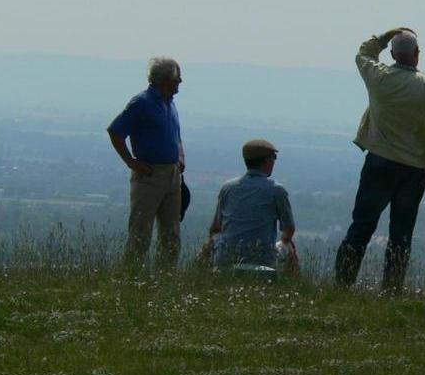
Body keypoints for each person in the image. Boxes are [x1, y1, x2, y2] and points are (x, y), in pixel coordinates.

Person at [335, 27, 425, 291]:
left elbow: (363, 54)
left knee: (361, 226)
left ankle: (342, 283)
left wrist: (386, 36)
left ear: (394, 54)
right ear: (417, 55)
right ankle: (392, 288)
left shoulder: (380, 78)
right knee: (401, 235)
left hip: (378, 163)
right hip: (413, 171)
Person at [108, 57, 185, 273]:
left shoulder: (170, 103)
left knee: (171, 233)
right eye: (177, 79)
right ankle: (131, 277)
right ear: (165, 80)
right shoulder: (141, 103)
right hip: (150, 175)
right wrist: (130, 161)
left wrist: (180, 157)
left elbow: (176, 136)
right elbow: (115, 131)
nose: (180, 83)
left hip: (172, 174)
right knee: (141, 232)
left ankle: (164, 278)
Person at [205, 139, 296, 269]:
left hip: (226, 258)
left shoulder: (227, 188)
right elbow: (289, 229)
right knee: (289, 246)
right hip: (263, 260)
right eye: (273, 157)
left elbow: (215, 228)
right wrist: (284, 242)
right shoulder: (277, 190)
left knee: (212, 242)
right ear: (266, 161)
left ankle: (204, 275)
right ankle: (289, 286)